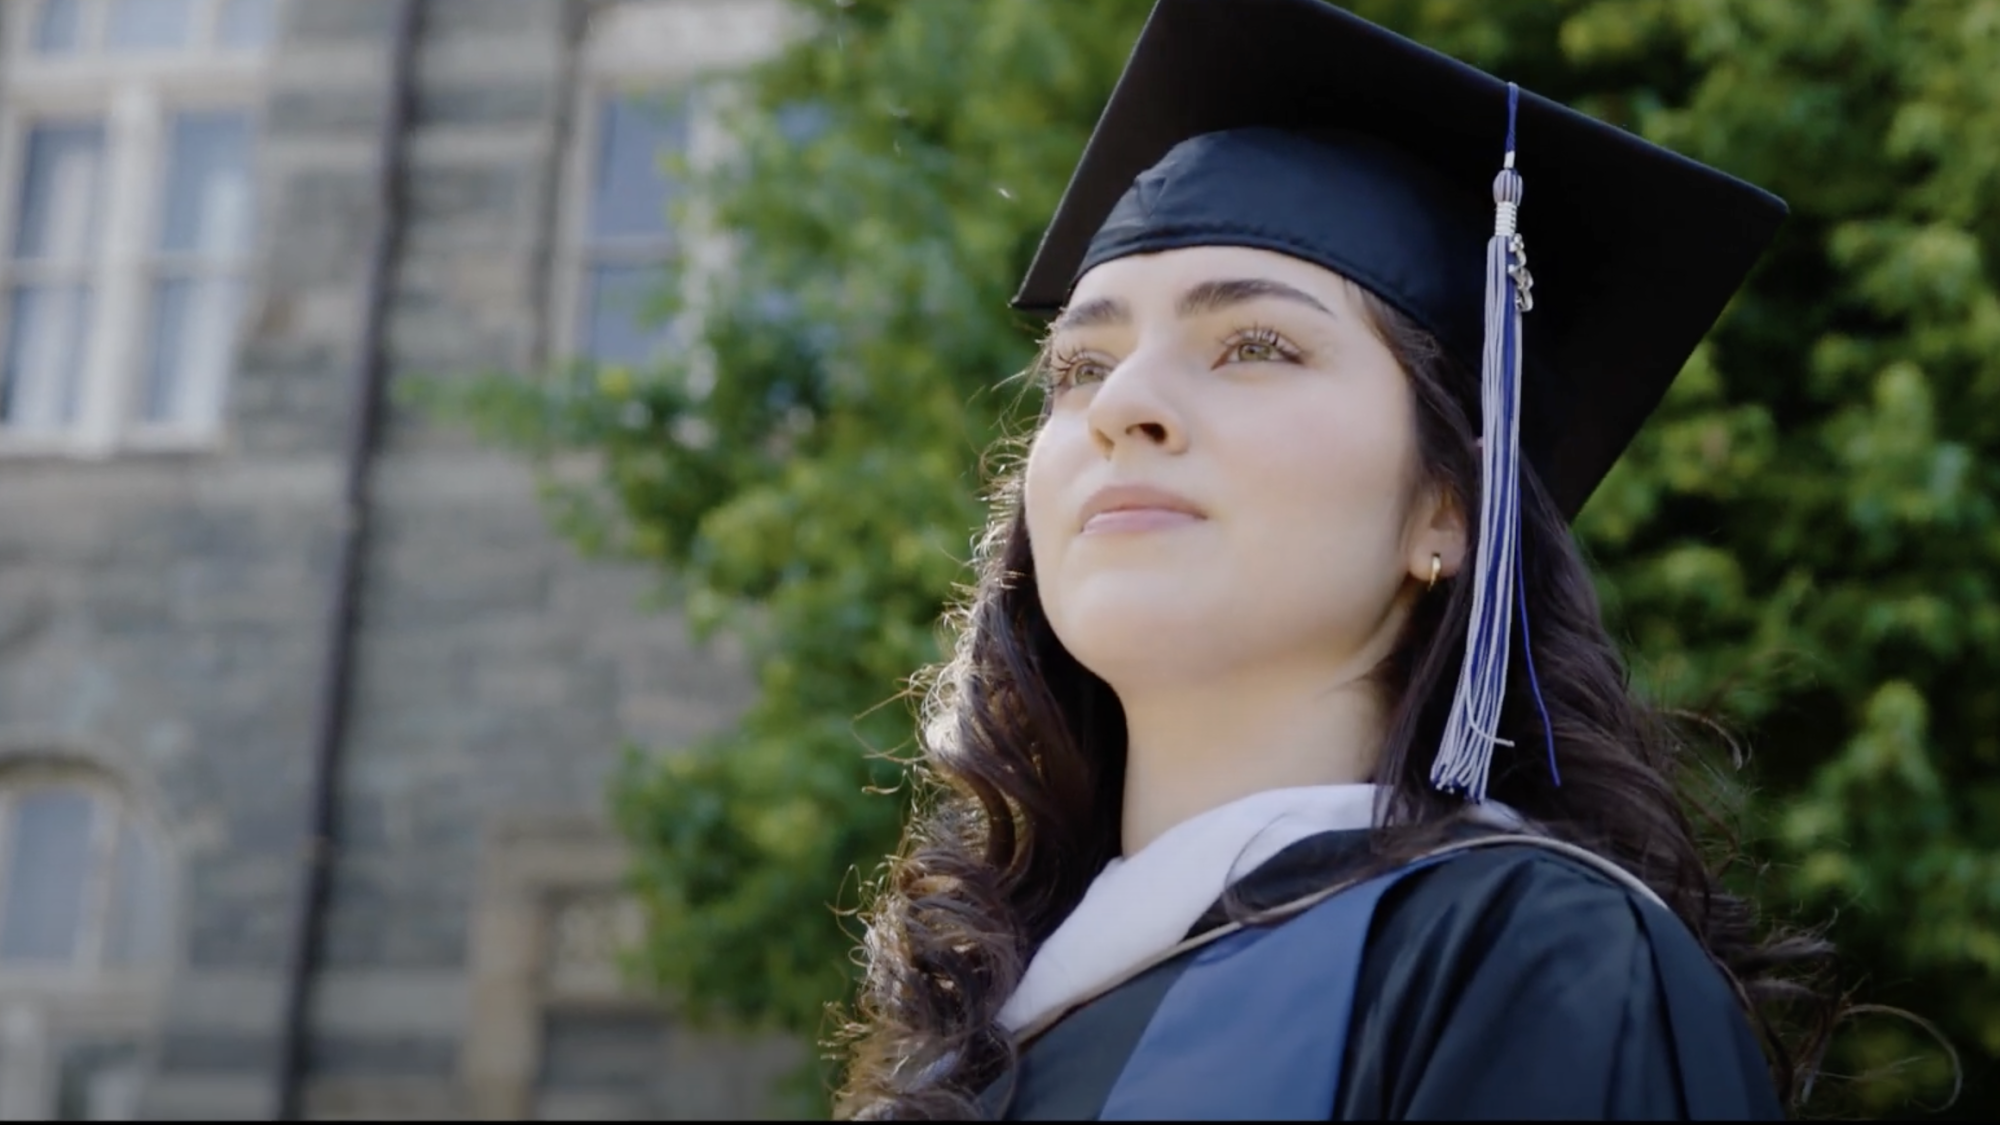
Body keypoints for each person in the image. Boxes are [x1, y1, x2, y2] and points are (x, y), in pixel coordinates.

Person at [835, 0, 1836, 1118]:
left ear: (1448, 506)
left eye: (1254, 345)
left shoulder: (1527, 960)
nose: (1121, 406)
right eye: (1077, 367)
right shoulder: (970, 1039)